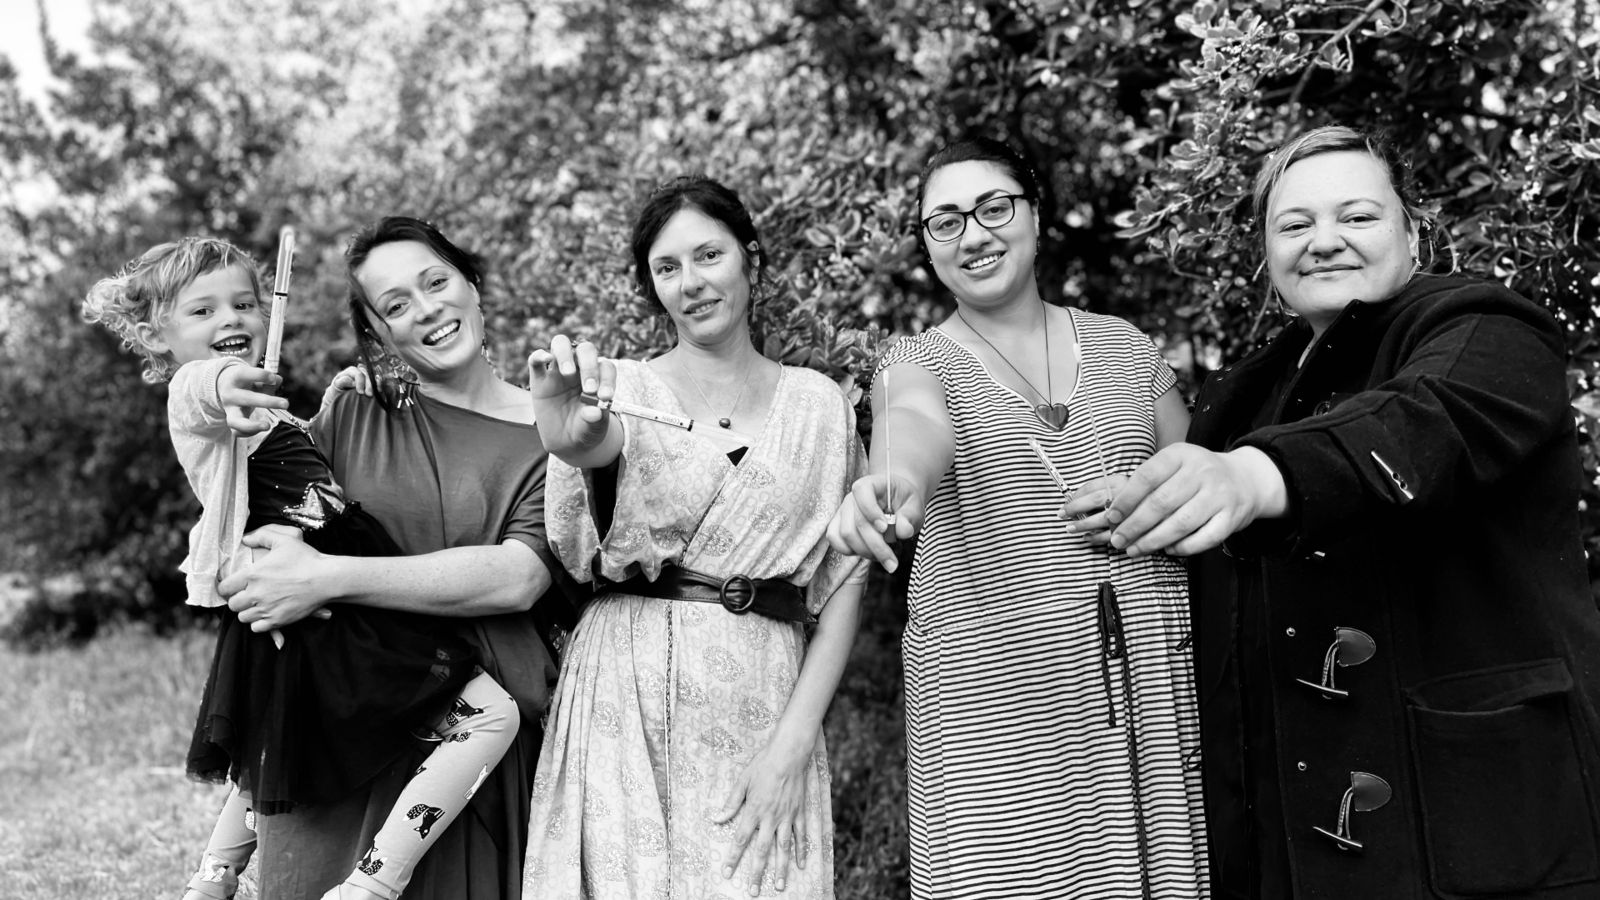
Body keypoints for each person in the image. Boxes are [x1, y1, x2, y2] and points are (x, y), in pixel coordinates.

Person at [1092, 124, 1600, 899]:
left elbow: (1422, 424)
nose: (1323, 241)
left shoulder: (1486, 331)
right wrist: (1143, 510)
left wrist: (1256, 478)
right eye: (1294, 225)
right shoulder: (1239, 396)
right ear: (1267, 254)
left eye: (1357, 217)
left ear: (1411, 230)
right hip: (1294, 858)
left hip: (1485, 837)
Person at [81, 237, 522, 900]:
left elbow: (300, 464)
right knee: (489, 715)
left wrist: (328, 398)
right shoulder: (196, 393)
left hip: (323, 583)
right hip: (325, 602)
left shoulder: (259, 419)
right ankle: (376, 880)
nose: (230, 320)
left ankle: (215, 874)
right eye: (202, 312)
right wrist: (227, 382)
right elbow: (206, 390)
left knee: (279, 730)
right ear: (156, 334)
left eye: (243, 304)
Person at [827, 138, 1209, 899]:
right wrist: (889, 486)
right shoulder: (915, 359)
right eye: (945, 222)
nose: (973, 234)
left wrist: (1153, 502)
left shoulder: (1126, 346)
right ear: (928, 247)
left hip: (1151, 697)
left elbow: (1205, 482)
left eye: (993, 207)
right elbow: (911, 429)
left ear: (1036, 216)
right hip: (998, 706)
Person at [520, 175, 869, 899]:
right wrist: (578, 441)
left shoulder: (821, 406)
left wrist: (795, 742)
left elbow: (843, 583)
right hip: (625, 691)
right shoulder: (619, 390)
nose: (691, 283)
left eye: (708, 256)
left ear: (752, 260)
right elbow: (596, 454)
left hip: (764, 691)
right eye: (667, 268)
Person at [217, 217, 580, 899]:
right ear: (379, 333)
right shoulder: (351, 415)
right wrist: (227, 432)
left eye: (435, 282)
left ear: (472, 284)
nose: (426, 310)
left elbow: (518, 576)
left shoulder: (554, 429)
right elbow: (271, 530)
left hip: (467, 753)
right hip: (337, 737)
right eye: (395, 305)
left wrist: (328, 579)